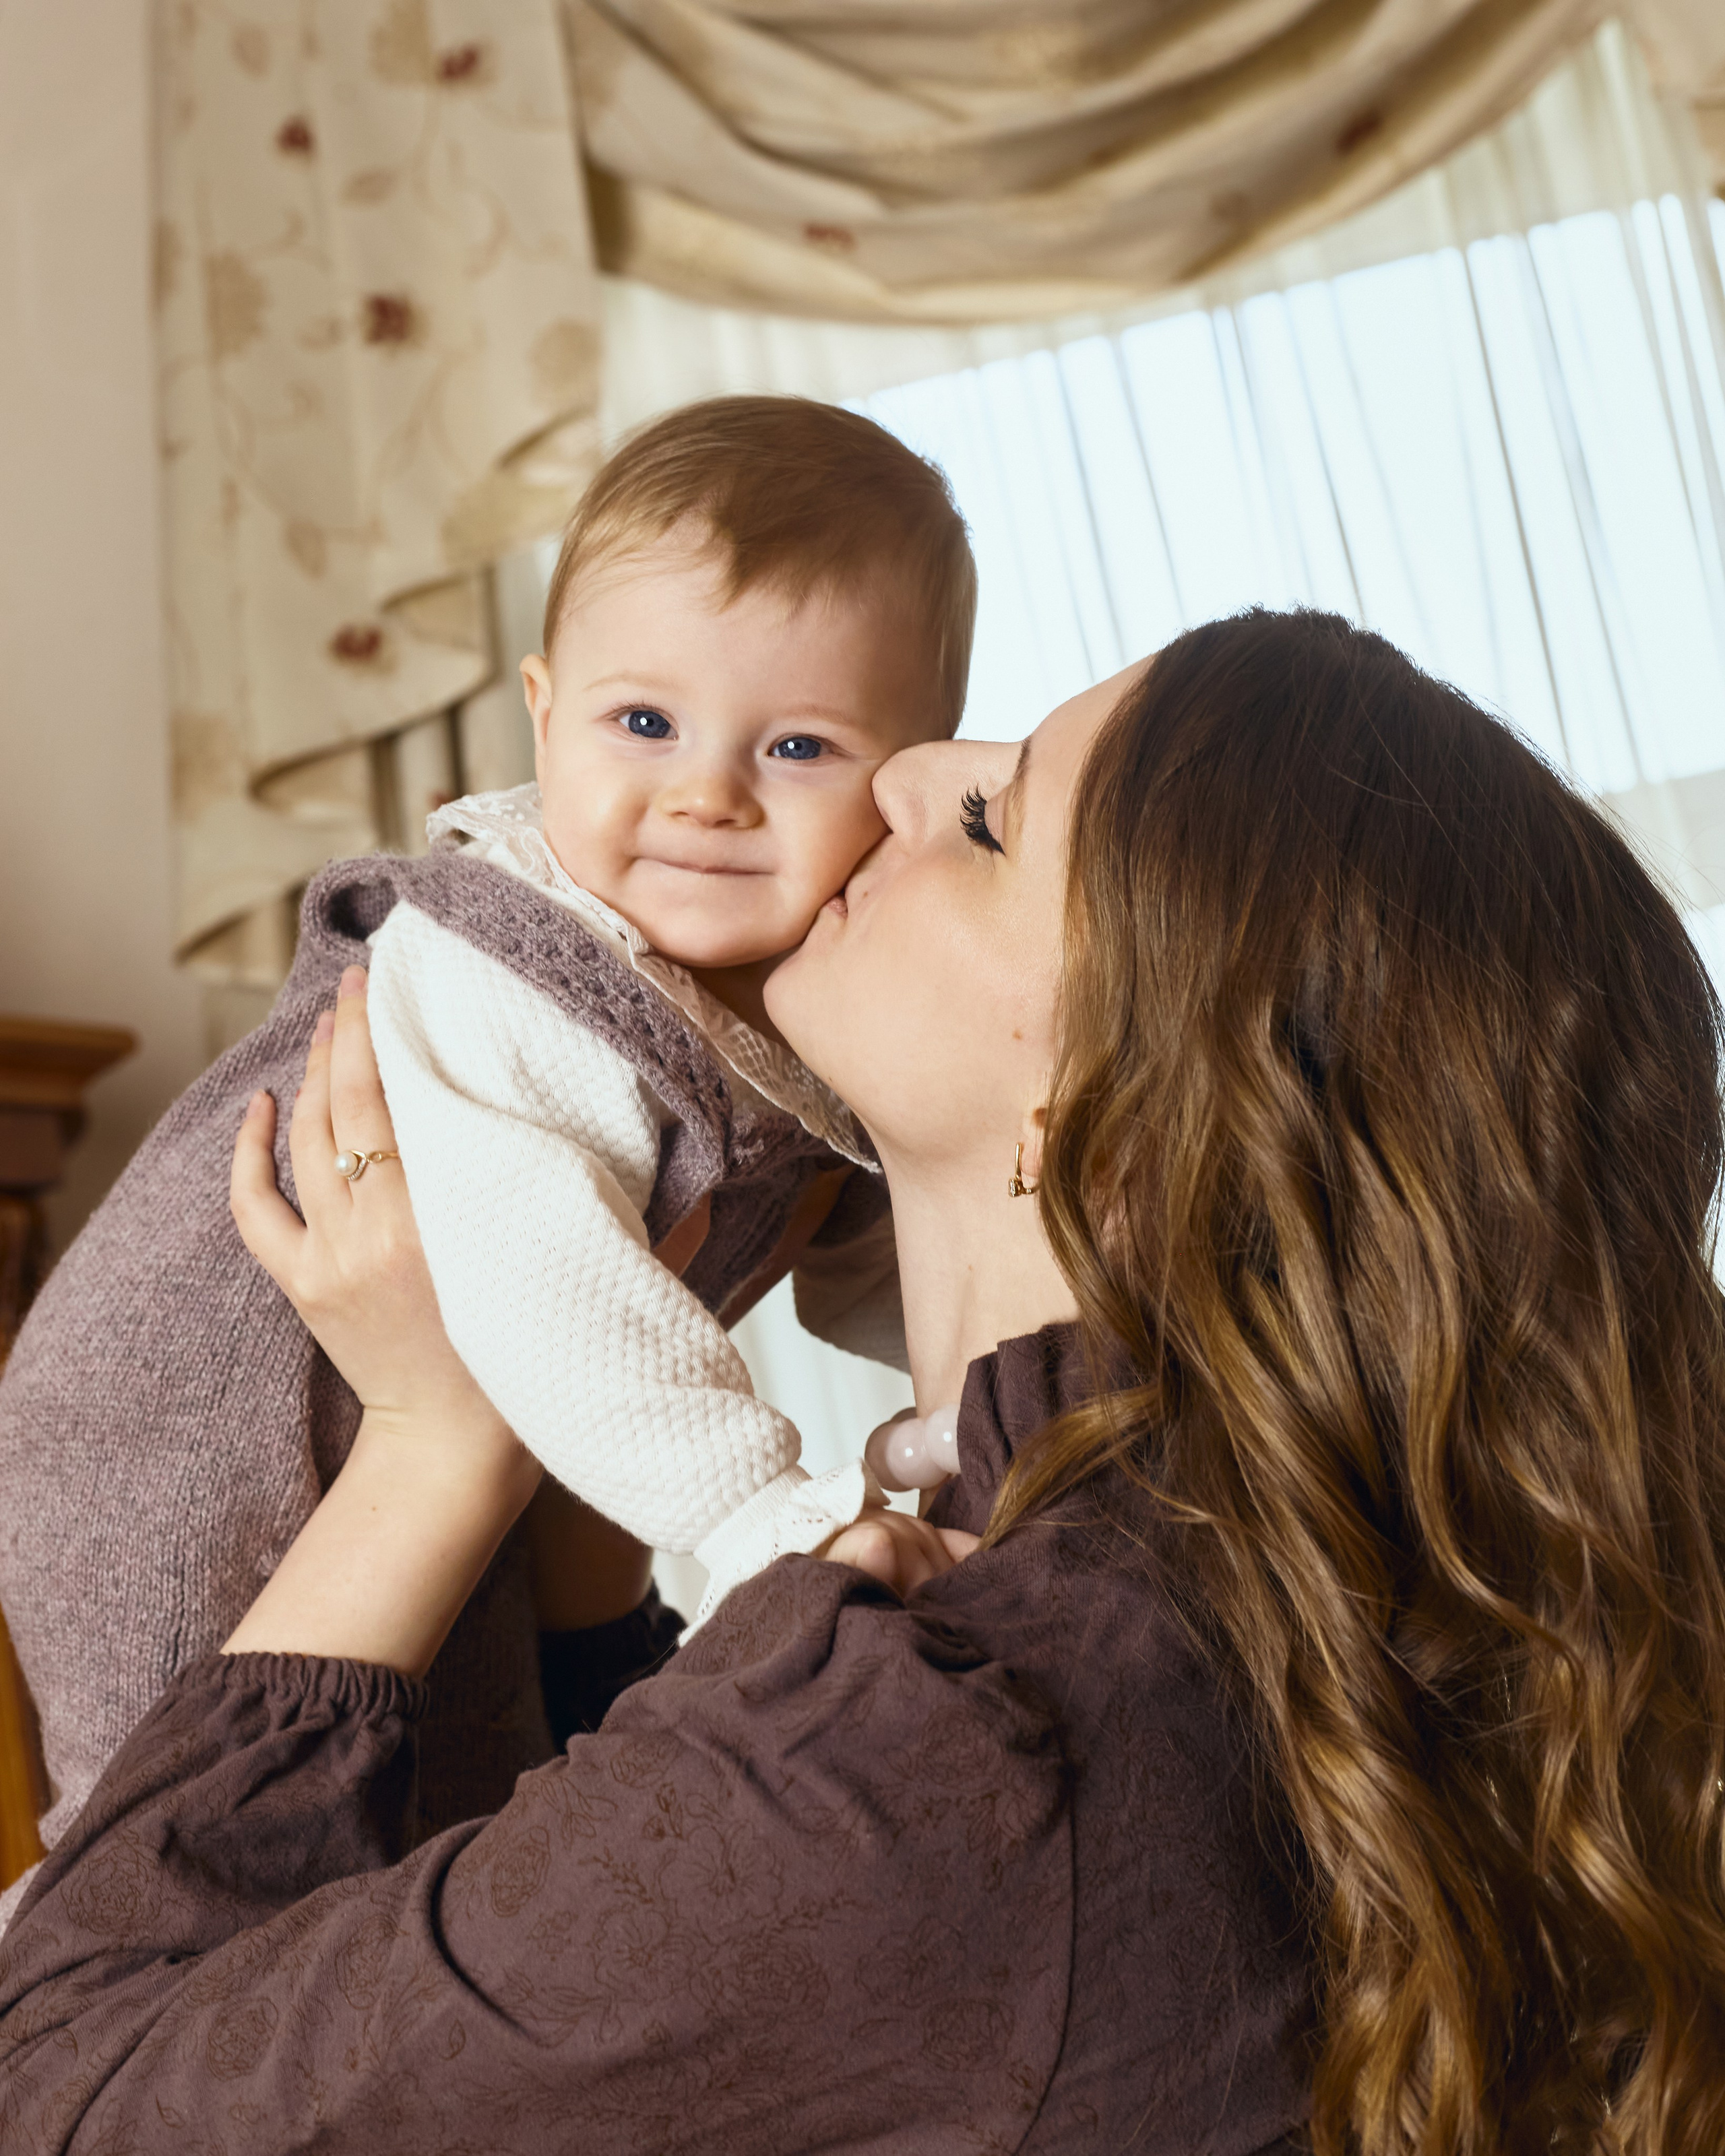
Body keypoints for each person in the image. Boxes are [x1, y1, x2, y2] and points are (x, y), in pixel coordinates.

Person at [6, 608, 1725, 2153]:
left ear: (1120, 1126)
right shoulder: (1229, 1618)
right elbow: (647, 1940)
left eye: (990, 822)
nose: (901, 778)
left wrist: (433, 1442)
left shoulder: (949, 1740)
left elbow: (60, 2097)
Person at [0, 396, 974, 1899]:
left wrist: (1003, 1401)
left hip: (453, 1436)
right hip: (174, 1417)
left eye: (794, 745)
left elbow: (868, 1259)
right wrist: (771, 1518)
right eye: (641, 723)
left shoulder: (787, 1006)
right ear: (540, 711)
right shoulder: (519, 965)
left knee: (459, 1799)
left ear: (903, 780)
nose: (704, 792)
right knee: (201, 1819)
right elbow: (542, 1285)